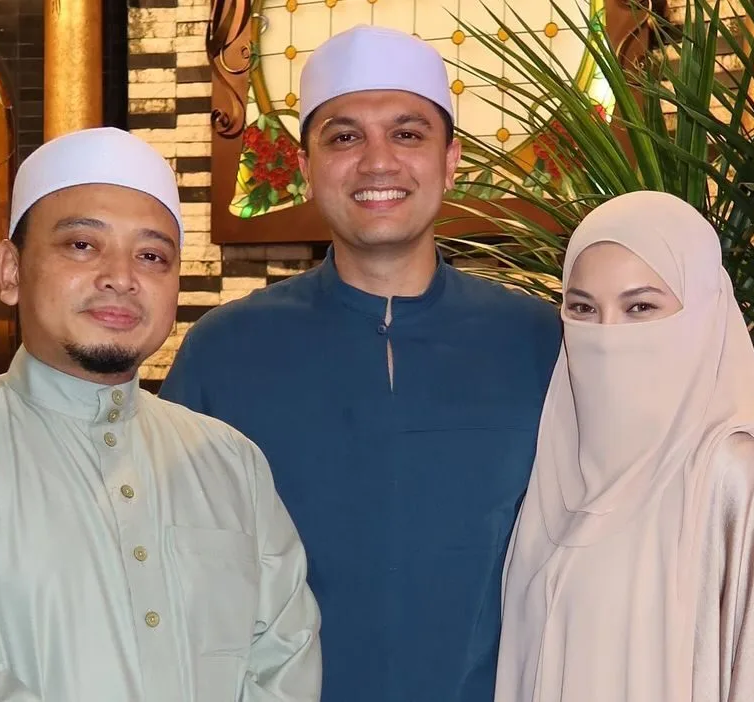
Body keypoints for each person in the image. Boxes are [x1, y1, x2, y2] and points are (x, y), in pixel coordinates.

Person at [0, 127, 322, 702]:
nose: (121, 277)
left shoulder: (231, 462)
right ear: (11, 270)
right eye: (81, 245)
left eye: (151, 256)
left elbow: (284, 660)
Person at [159, 25, 562, 702]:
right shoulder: (225, 349)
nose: (378, 162)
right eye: (344, 137)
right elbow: (168, 568)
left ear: (451, 160)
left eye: (407, 134)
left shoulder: (540, 342)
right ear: (306, 165)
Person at [494, 191, 754, 702]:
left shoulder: (729, 473)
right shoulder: (559, 475)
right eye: (583, 308)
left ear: (702, 312)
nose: (607, 335)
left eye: (640, 307)